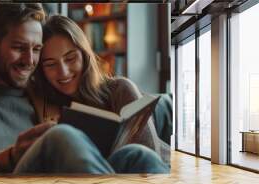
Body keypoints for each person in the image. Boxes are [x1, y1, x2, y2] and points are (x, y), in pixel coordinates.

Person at [0, 4, 169, 174]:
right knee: (61, 136)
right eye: (18, 48)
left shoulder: (44, 92)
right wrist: (10, 157)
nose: (29, 60)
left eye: (36, 49)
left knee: (137, 155)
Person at [32, 15, 170, 168]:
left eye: (70, 59)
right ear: (41, 70)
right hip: (102, 178)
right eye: (50, 64)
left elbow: (149, 154)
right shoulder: (44, 103)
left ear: (84, 55)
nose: (63, 72)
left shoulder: (120, 88)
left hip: (156, 169)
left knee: (137, 153)